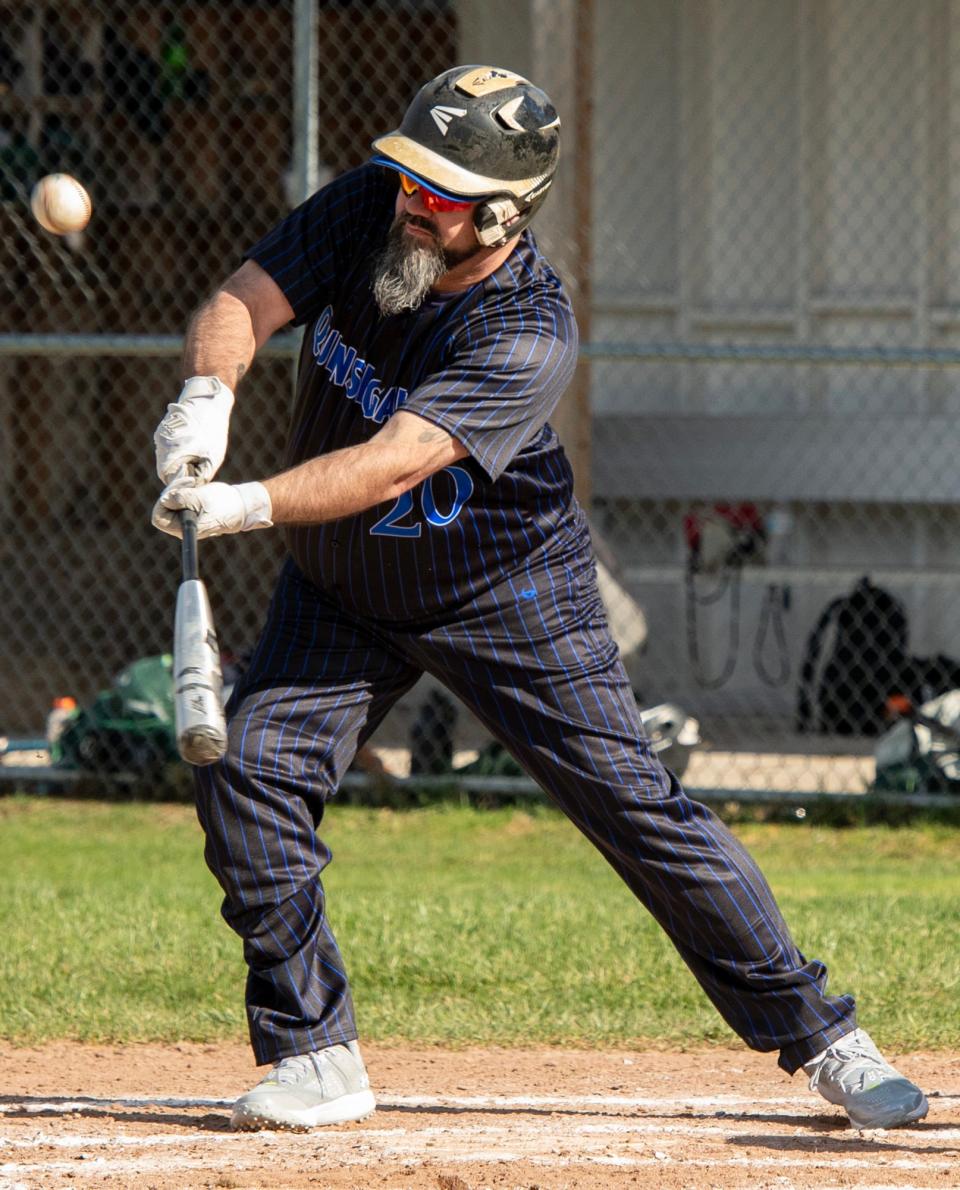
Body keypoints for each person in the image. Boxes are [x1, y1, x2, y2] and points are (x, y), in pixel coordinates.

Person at [151, 65, 928, 1134]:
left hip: (505, 589)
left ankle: (824, 1033)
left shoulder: (528, 329)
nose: (413, 200)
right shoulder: (375, 205)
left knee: (637, 810)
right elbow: (246, 299)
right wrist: (207, 396)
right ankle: (315, 1053)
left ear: (506, 213)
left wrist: (240, 502)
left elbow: (392, 463)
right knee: (245, 768)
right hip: (342, 586)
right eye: (411, 176)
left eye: (443, 193)